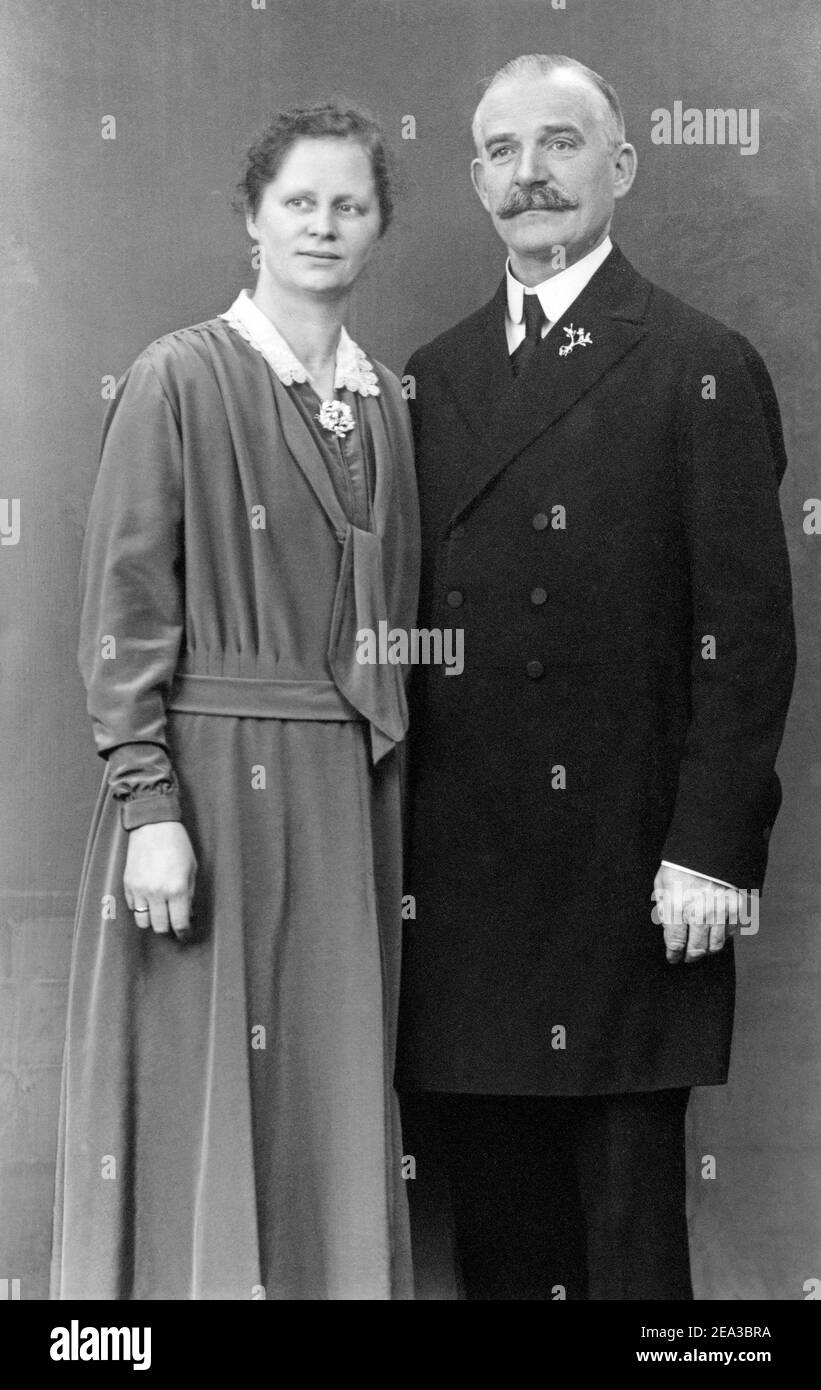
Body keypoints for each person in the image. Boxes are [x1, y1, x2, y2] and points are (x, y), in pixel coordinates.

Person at [397, 54, 796, 1300]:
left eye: (561, 144)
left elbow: (747, 638)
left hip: (630, 882)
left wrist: (711, 849)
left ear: (618, 168)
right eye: (503, 152)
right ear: (473, 180)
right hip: (462, 896)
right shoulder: (427, 375)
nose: (531, 176)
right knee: (500, 1249)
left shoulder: (698, 361)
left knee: (626, 1261)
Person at [51, 103, 419, 1301]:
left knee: (323, 1100)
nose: (323, 224)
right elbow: (121, 612)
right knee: (198, 1096)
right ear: (253, 219)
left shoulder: (385, 407)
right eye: (299, 202)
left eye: (348, 205)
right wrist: (148, 802)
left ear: (378, 229)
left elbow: (396, 630)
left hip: (348, 798)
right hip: (203, 789)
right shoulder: (178, 375)